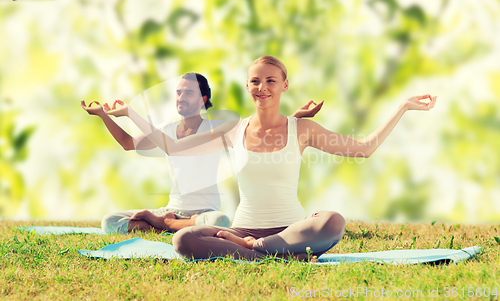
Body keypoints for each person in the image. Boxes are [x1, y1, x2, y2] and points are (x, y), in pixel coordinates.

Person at [106, 56, 437, 260]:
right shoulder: (232, 130)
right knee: (183, 240)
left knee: (332, 221)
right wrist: (131, 114)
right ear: (247, 87)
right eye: (255, 81)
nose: (262, 86)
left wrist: (403, 107)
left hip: (290, 228)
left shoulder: (302, 129)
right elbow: (173, 146)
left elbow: (363, 148)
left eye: (270, 80)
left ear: (284, 85)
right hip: (243, 227)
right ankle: (271, 253)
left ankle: (257, 251)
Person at [81, 72, 323, 234]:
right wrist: (103, 115)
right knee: (109, 222)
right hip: (173, 208)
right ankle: (168, 223)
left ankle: (164, 225)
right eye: (178, 92)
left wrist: (295, 119)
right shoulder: (166, 129)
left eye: (188, 93)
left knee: (220, 222)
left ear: (202, 100)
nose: (180, 97)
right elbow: (127, 143)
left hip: (204, 214)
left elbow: (261, 132)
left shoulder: (214, 129)